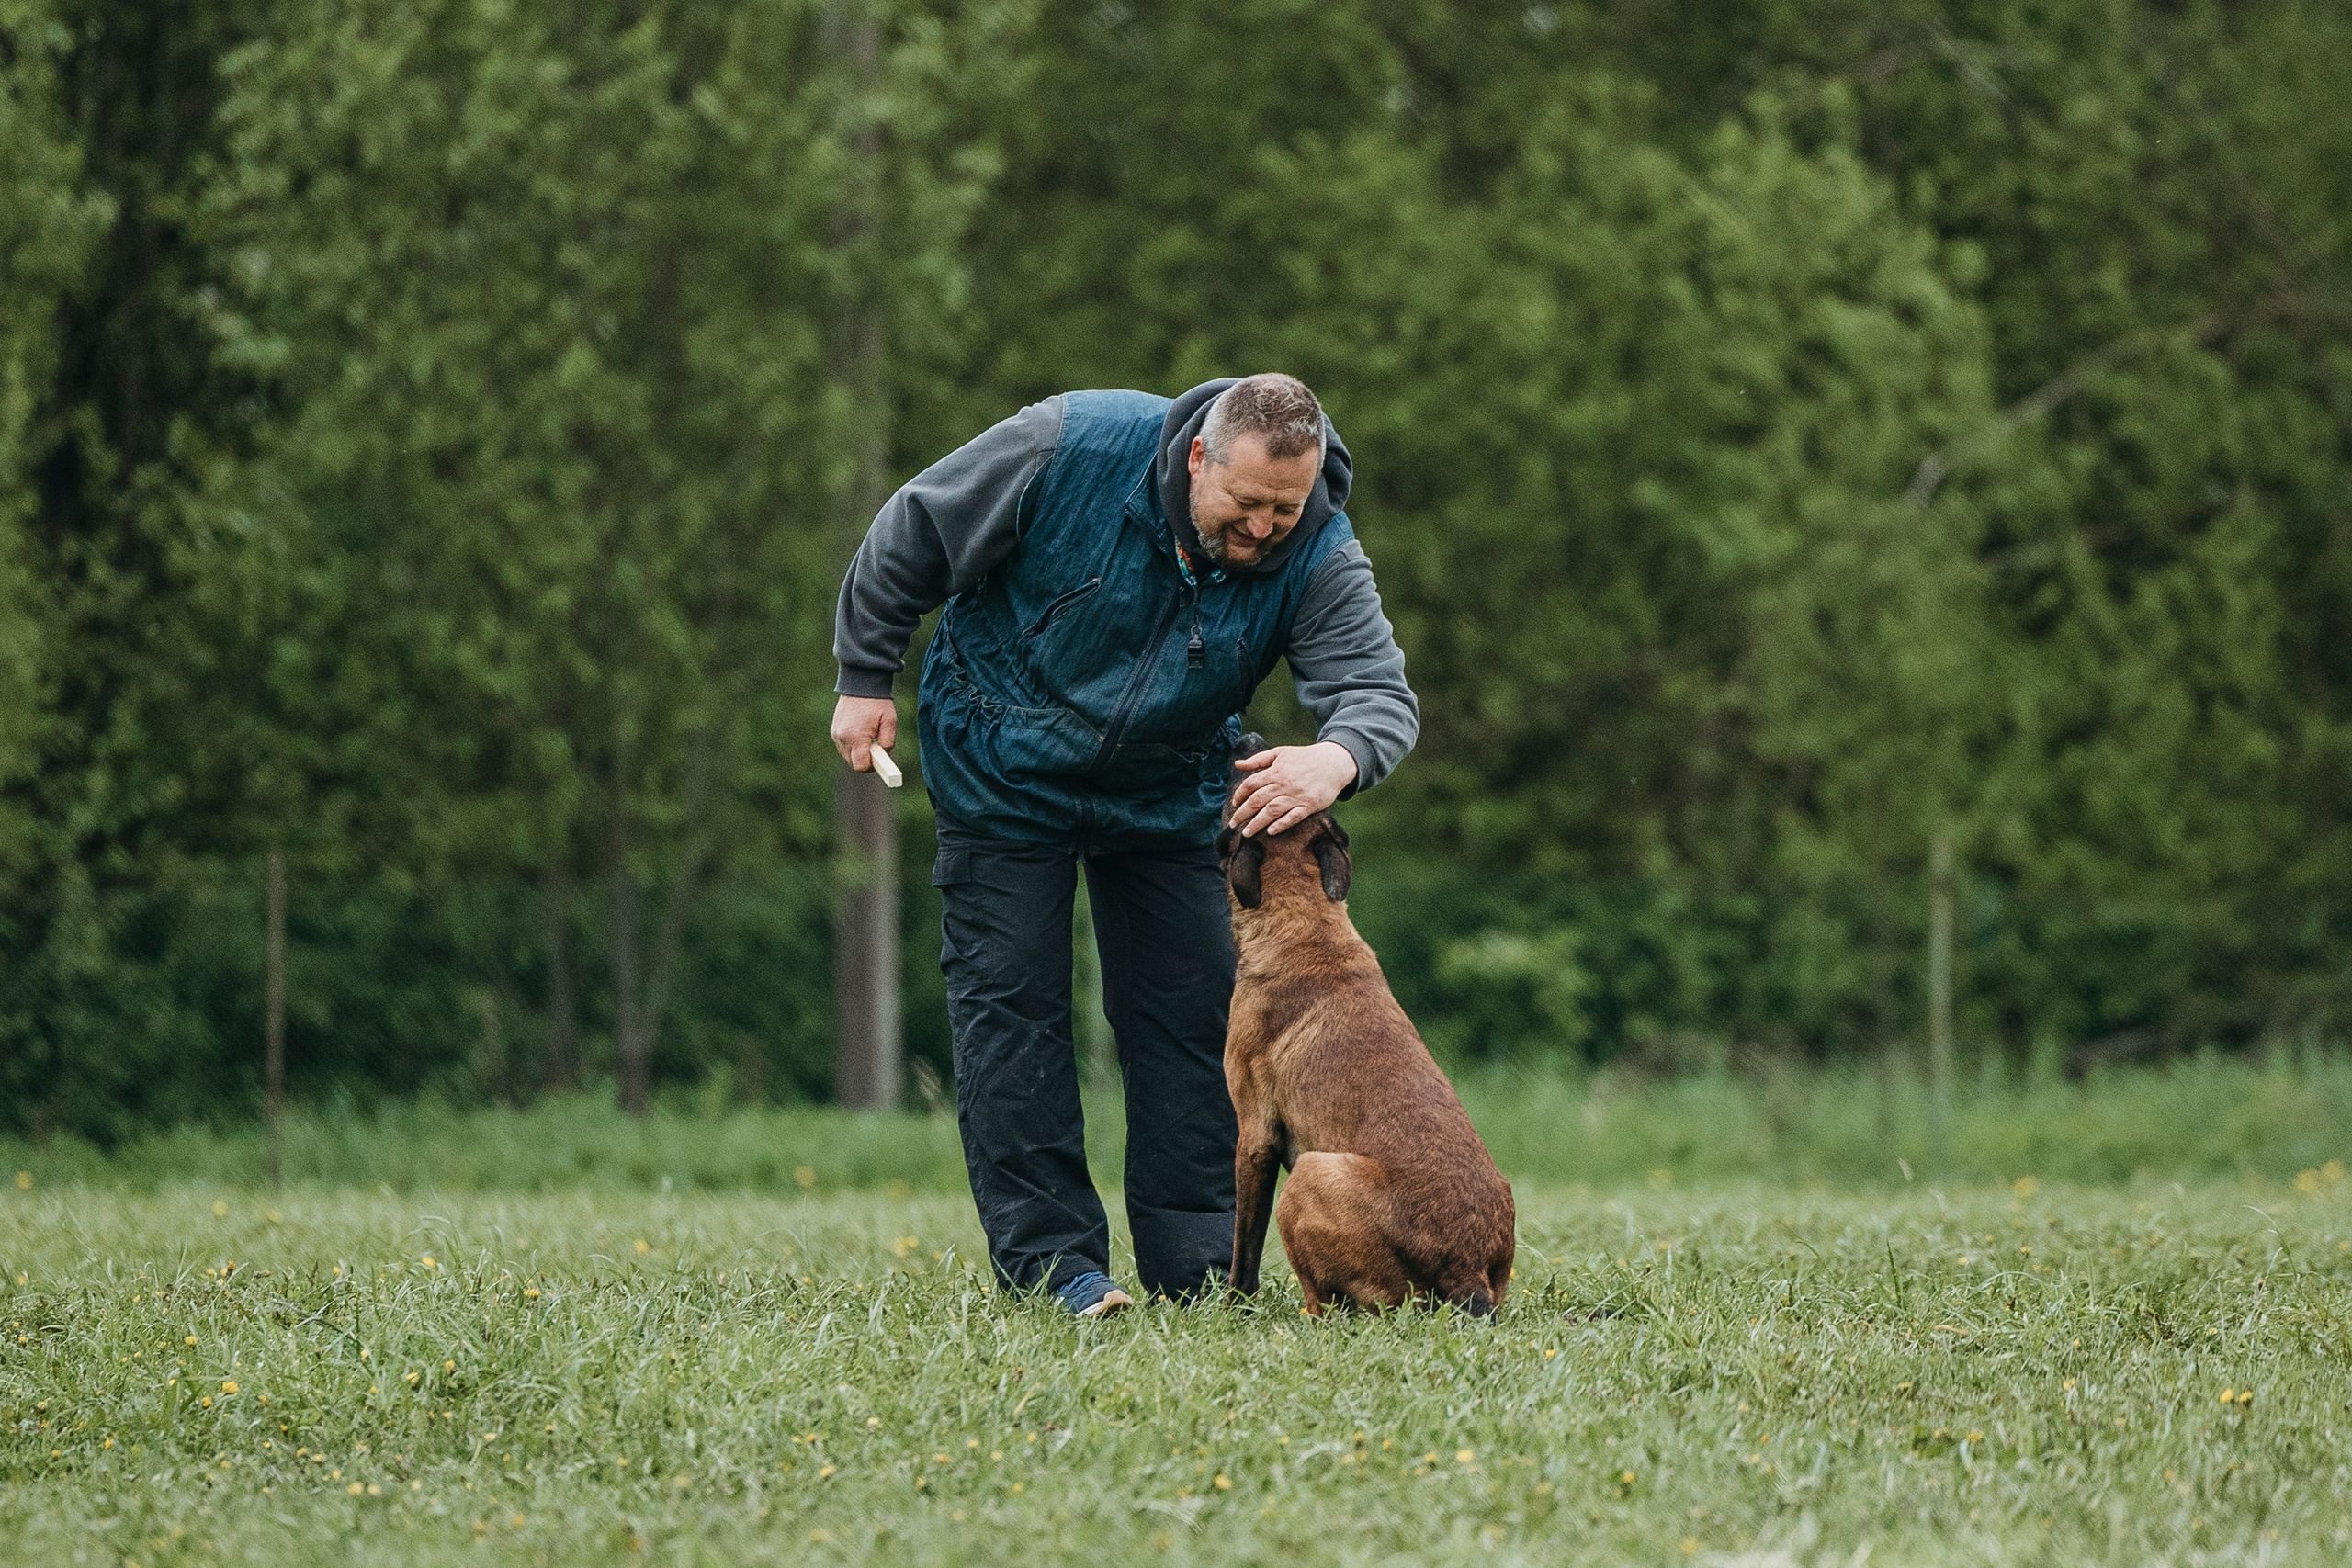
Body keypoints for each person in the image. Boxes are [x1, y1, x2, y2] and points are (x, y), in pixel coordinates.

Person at [830, 373, 1419, 1314]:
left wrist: (1336, 758)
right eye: (1246, 502)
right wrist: (864, 676)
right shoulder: (1067, 447)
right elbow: (914, 530)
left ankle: (1193, 1270)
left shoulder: (1318, 548)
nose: (1265, 528)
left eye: (1286, 507)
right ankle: (1057, 1270)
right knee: (1012, 1012)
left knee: (1189, 1019)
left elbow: (1378, 695)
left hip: (1169, 784)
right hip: (1001, 759)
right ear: (1197, 459)